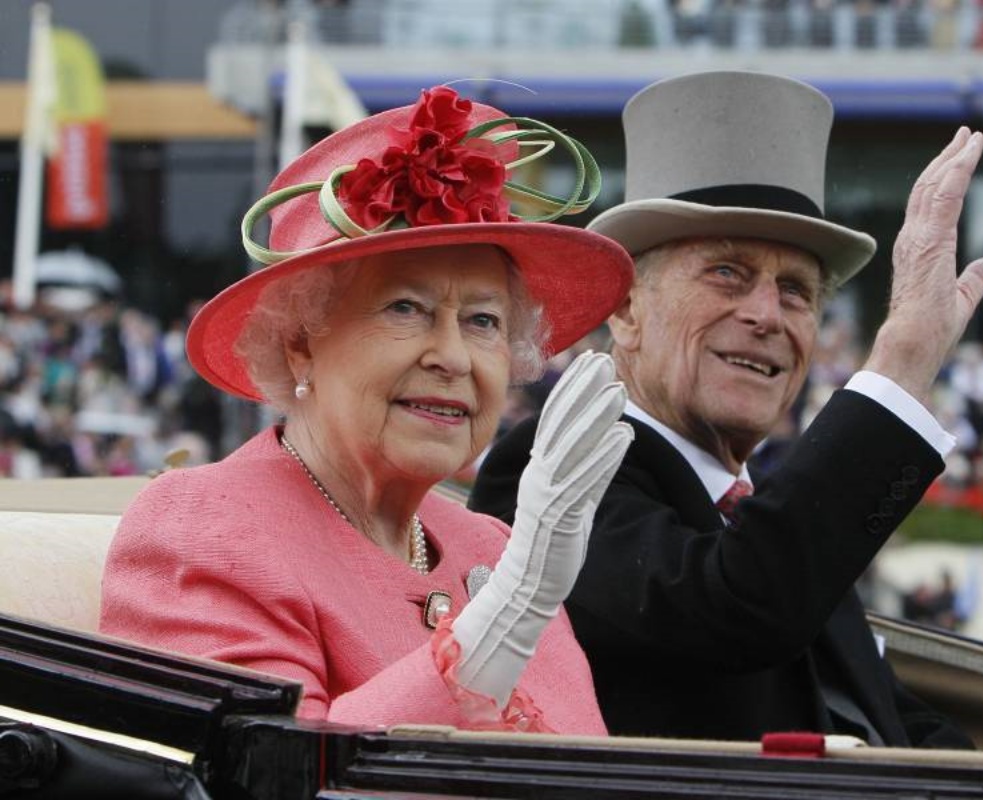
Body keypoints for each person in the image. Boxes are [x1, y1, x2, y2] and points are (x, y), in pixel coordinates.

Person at [470, 70, 983, 746]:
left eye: (796, 291)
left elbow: (886, 721)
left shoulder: (767, 516)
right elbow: (733, 608)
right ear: (627, 308)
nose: (766, 315)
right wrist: (900, 367)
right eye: (727, 272)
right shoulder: (550, 468)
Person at [100, 86, 636, 734]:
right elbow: (269, 775)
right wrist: (502, 619)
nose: (454, 357)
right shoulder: (201, 526)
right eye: (405, 309)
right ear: (300, 343)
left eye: (483, 320)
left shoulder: (490, 547)